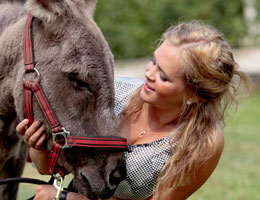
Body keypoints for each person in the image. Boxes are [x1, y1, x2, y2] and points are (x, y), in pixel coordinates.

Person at [16, 21, 248, 200]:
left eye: (163, 75)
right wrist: (38, 146)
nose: (149, 73)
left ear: (192, 95)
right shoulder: (115, 93)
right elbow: (49, 168)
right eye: (153, 61)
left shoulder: (201, 141)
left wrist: (66, 197)